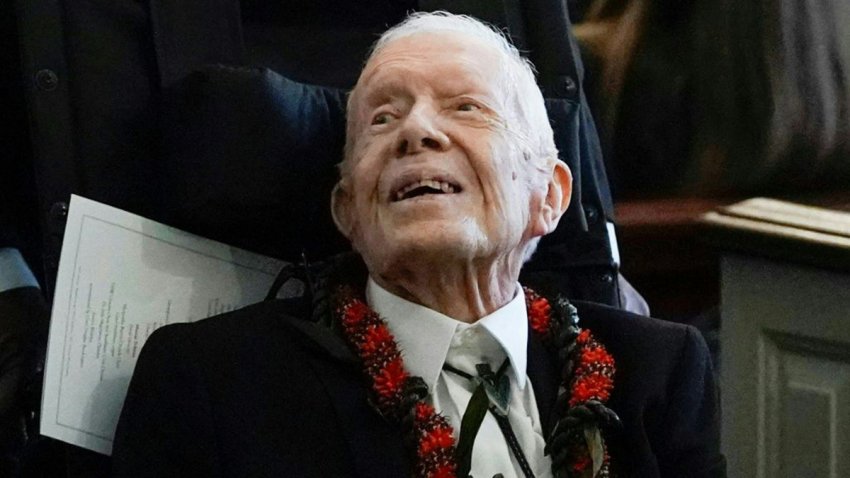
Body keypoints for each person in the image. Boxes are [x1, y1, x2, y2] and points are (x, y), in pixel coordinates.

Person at [112, 12, 724, 478]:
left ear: (550, 196)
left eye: (466, 107)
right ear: (347, 208)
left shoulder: (659, 374)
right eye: (382, 118)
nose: (417, 132)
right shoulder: (216, 382)